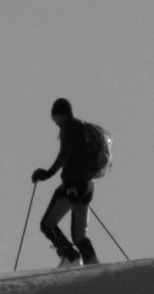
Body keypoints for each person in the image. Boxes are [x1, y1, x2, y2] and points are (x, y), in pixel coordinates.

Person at [31, 97, 101, 266]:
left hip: (73, 184)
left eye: (55, 118)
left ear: (61, 115)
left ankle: (70, 258)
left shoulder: (68, 128)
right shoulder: (81, 127)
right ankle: (93, 265)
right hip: (87, 186)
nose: (55, 123)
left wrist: (48, 173)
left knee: (47, 224)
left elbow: (65, 153)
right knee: (79, 236)